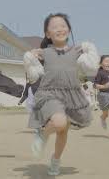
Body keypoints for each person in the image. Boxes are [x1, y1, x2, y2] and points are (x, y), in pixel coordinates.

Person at [24, 13, 99, 175]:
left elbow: (91, 62)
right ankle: (42, 135)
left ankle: (55, 160)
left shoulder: (77, 50)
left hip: (72, 95)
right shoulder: (44, 52)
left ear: (69, 30)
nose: (60, 29)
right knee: (59, 122)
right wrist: (30, 56)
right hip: (50, 93)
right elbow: (31, 62)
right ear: (47, 34)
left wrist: (89, 48)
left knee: (63, 130)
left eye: (63, 25)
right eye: (54, 26)